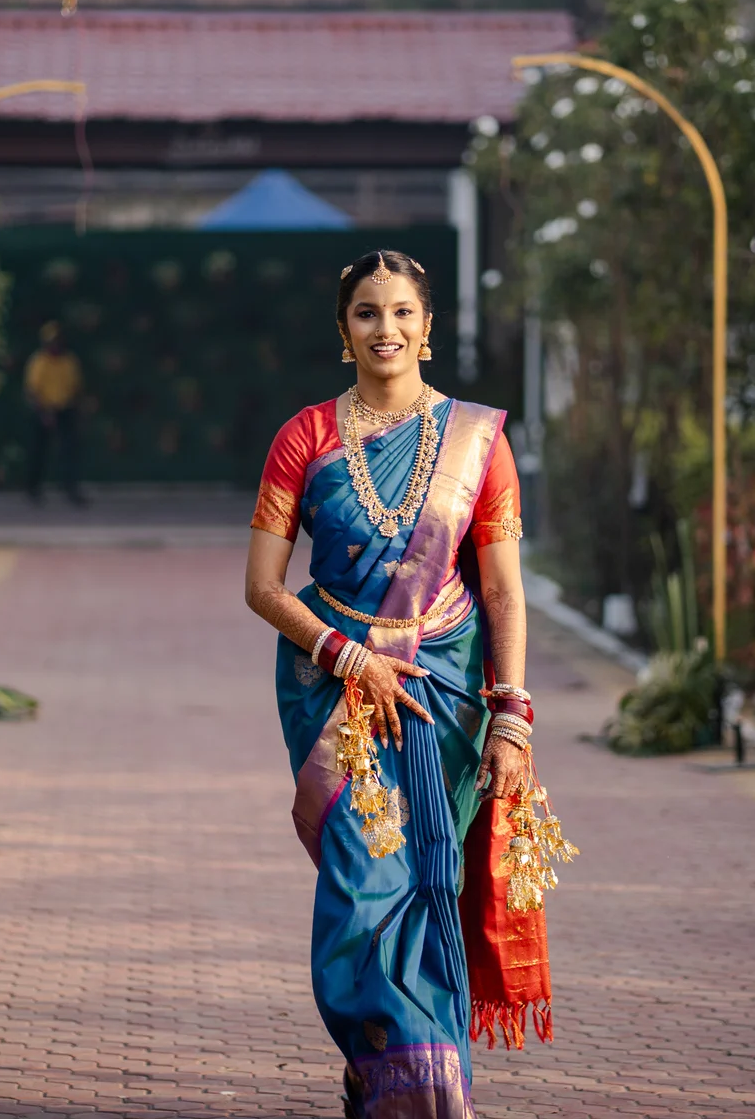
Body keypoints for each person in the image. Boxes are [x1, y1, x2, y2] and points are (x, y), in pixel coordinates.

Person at [244, 249, 551, 1119]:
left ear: (428, 325)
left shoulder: (479, 442)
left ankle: (418, 1082)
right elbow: (261, 587)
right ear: (343, 333)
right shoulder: (303, 437)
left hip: (444, 689)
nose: (387, 329)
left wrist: (512, 718)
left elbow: (500, 592)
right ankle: (378, 1057)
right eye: (368, 313)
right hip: (334, 689)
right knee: (359, 884)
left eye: (403, 312)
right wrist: (346, 655)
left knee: (429, 881)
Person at [23, 321, 85, 505]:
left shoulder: (69, 361)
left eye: (58, 341)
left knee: (69, 450)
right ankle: (33, 489)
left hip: (65, 409)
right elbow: (32, 390)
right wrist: (44, 412)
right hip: (44, 409)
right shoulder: (39, 361)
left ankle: (70, 488)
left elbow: (76, 387)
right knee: (39, 451)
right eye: (52, 342)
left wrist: (77, 410)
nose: (55, 345)